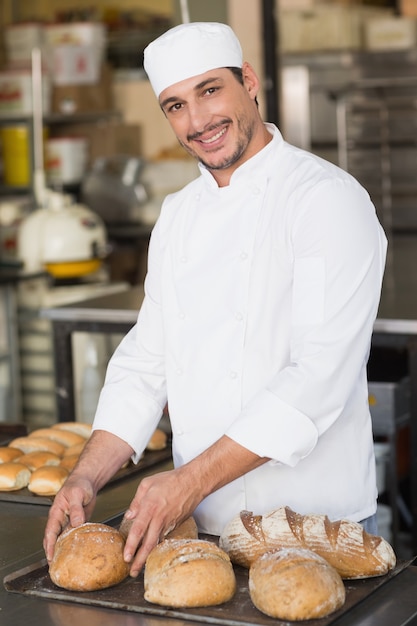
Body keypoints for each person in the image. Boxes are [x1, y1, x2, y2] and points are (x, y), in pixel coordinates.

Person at [44, 22, 387, 578]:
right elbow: (146, 359)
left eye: (210, 90)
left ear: (248, 81)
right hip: (200, 530)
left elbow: (318, 375)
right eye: (175, 105)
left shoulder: (326, 199)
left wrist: (188, 481)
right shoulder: (179, 215)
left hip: (315, 528)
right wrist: (86, 476)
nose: (197, 121)